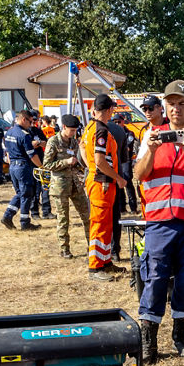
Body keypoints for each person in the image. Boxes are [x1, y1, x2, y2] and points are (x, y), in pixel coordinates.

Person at [133, 80, 184, 362]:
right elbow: (139, 174)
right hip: (159, 221)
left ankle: (180, 336)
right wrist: (154, 151)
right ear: (164, 106)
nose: (176, 108)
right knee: (154, 277)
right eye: (171, 103)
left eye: (182, 103)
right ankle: (149, 342)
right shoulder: (151, 135)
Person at [83, 94, 128, 281]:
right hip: (102, 183)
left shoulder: (90, 127)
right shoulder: (101, 130)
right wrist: (118, 178)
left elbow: (83, 152)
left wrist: (90, 169)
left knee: (106, 224)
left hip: (99, 181)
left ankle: (105, 261)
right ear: (109, 110)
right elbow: (101, 161)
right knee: (99, 225)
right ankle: (95, 267)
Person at [44, 113, 91, 258]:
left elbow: (78, 161)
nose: (73, 133)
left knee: (87, 216)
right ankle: (64, 249)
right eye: (71, 130)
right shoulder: (53, 142)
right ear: (63, 127)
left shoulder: (74, 142)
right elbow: (46, 165)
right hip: (60, 187)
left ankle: (92, 246)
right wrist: (66, 162)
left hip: (76, 184)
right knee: (63, 219)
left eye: (75, 130)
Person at [0, 110, 43, 231]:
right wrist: (41, 166)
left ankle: (8, 217)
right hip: (23, 167)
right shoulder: (24, 135)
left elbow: (8, 151)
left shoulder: (9, 132)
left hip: (13, 166)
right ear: (23, 119)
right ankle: (24, 222)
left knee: (20, 193)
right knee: (26, 194)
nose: (31, 124)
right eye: (30, 121)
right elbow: (32, 154)